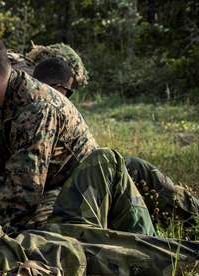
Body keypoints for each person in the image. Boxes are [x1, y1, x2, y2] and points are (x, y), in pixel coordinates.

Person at [0, 28, 112, 236]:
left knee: (33, 238)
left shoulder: (36, 107)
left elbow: (23, 193)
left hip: (73, 190)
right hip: (37, 184)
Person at [32, 58, 199, 228]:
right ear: (59, 88)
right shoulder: (34, 113)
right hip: (52, 194)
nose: (67, 98)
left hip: (82, 176)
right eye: (68, 91)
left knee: (137, 167)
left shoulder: (54, 109)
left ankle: (192, 216)